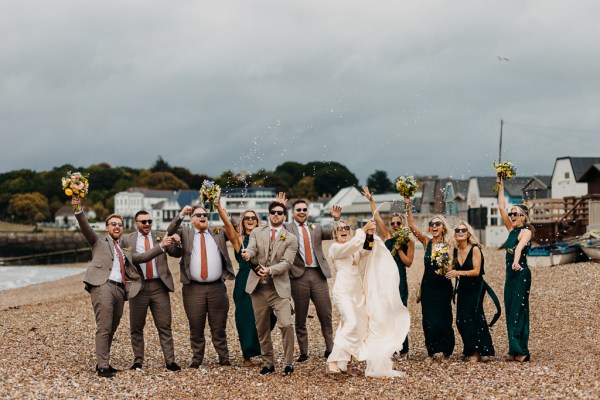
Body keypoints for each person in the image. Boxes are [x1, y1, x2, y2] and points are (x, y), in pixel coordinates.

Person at [72, 197, 172, 378]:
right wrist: (78, 208)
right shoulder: (98, 241)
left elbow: (142, 257)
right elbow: (84, 225)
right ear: (107, 227)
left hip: (120, 290)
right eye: (113, 224)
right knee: (104, 326)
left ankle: (104, 362)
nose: (117, 227)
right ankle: (102, 367)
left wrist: (162, 246)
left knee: (112, 326)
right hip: (103, 285)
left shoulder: (124, 249)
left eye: (119, 224)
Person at [327, 219, 410, 377]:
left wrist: (370, 235)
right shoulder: (335, 248)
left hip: (357, 292)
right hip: (343, 292)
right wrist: (363, 229)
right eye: (340, 229)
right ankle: (332, 360)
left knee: (358, 326)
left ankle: (345, 362)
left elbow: (365, 250)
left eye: (346, 228)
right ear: (335, 233)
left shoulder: (352, 248)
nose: (343, 230)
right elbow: (351, 246)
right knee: (351, 322)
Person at [166, 205, 235, 368]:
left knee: (219, 326)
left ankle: (223, 358)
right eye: (198, 215)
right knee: (196, 325)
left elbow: (234, 228)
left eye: (205, 214)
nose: (203, 217)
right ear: (191, 219)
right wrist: (181, 213)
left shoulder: (217, 233)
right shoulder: (185, 233)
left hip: (217, 288)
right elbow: (170, 231)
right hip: (193, 288)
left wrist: (221, 210)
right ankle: (197, 359)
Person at [276, 193, 342, 362]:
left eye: (305, 209)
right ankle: (304, 352)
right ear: (292, 212)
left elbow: (334, 234)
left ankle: (330, 349)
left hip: (318, 274)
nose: (302, 212)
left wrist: (336, 220)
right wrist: (280, 207)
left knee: (326, 313)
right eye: (298, 210)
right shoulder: (287, 228)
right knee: (300, 316)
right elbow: (276, 229)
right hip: (298, 275)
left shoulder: (316, 227)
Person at [241, 201, 299, 376]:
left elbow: (287, 263)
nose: (276, 215)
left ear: (284, 216)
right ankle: (268, 363)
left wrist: (270, 270)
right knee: (262, 327)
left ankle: (288, 362)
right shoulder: (258, 232)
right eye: (273, 212)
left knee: (287, 325)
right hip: (258, 289)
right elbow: (251, 249)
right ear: (269, 214)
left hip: (278, 289)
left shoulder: (291, 238)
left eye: (280, 213)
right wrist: (247, 254)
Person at [120, 210, 181, 371]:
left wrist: (177, 243)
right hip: (138, 286)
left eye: (149, 221)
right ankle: (138, 361)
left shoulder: (160, 235)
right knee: (136, 326)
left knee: (164, 325)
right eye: (143, 221)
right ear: (136, 223)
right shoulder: (126, 239)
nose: (147, 224)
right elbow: (133, 258)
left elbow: (176, 253)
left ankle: (170, 361)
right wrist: (160, 247)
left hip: (159, 286)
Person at [216, 202, 275, 367]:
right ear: (243, 222)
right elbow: (227, 225)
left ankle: (262, 348)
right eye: (247, 218)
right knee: (245, 318)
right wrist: (219, 207)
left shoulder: (264, 237)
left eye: (253, 218)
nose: (250, 220)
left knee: (269, 315)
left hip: (262, 281)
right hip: (243, 282)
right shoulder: (239, 240)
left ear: (257, 221)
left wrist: (278, 207)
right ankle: (247, 355)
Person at [362, 187, 414, 358]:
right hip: (386, 281)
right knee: (386, 312)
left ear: (403, 225)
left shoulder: (408, 241)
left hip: (400, 280)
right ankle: (389, 347)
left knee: (399, 311)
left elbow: (409, 263)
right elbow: (376, 217)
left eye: (399, 223)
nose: (396, 226)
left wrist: (399, 250)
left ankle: (403, 348)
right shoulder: (387, 237)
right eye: (393, 224)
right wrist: (371, 200)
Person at [404, 197, 455, 360]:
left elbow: (451, 269)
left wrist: (444, 262)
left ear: (443, 228)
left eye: (437, 224)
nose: (434, 226)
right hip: (428, 286)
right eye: (432, 224)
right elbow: (411, 225)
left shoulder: (449, 245)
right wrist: (408, 203)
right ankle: (432, 351)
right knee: (429, 319)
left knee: (445, 318)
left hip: (444, 286)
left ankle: (446, 350)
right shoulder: (426, 242)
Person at [445, 221, 499, 362]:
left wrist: (458, 273)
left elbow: (476, 271)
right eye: (457, 230)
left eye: (463, 230)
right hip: (463, 286)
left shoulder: (475, 249)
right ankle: (469, 348)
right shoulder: (455, 250)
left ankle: (477, 352)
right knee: (460, 320)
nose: (460, 232)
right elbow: (449, 269)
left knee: (474, 316)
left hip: (476, 286)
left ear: (468, 233)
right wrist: (443, 257)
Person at [497, 177, 533, 362]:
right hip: (510, 275)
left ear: (524, 217)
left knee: (519, 310)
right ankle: (513, 348)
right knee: (510, 309)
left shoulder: (526, 232)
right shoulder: (511, 229)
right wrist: (501, 186)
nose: (512, 216)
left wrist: (516, 262)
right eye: (511, 214)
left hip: (520, 273)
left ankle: (522, 350)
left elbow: (519, 248)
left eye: (516, 214)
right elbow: (501, 207)